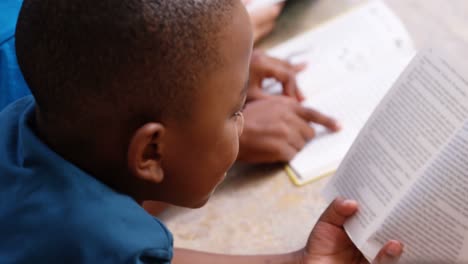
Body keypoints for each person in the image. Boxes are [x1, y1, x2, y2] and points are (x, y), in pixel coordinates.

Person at [0, 0, 402, 263]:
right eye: (233, 111)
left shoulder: (20, 124)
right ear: (151, 152)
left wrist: (299, 260)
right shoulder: (107, 245)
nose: (244, 122)